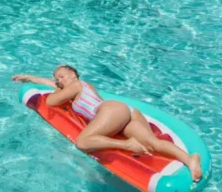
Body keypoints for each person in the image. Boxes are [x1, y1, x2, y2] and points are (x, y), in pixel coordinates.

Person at [13, 64, 203, 182]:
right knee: (152, 143)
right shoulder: (80, 86)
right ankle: (190, 159)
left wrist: (55, 88)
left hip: (111, 111)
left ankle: (128, 145)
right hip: (125, 113)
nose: (59, 80)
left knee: (82, 143)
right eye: (57, 78)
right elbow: (54, 86)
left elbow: (52, 101)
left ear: (73, 74)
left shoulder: (76, 85)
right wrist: (30, 78)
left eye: (61, 76)